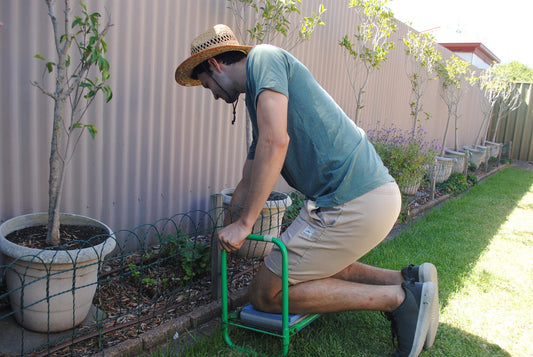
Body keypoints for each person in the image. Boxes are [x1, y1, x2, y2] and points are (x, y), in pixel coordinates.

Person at [175, 24, 439, 357]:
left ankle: (398, 301)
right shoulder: (261, 95)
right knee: (317, 263)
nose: (212, 93)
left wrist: (245, 225)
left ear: (214, 64)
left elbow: (276, 142)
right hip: (365, 196)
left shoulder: (263, 58)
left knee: (264, 295)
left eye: (206, 84)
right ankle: (409, 281)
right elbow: (252, 168)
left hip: (350, 202)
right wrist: (231, 215)